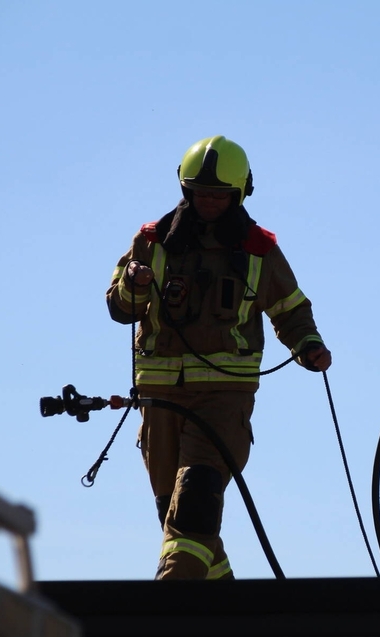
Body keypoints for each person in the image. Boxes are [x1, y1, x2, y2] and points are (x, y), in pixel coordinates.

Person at [106, 135, 331, 580]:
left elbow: (291, 311)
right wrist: (134, 281)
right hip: (159, 400)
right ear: (185, 190)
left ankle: (172, 597)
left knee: (196, 496)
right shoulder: (150, 241)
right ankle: (223, 607)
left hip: (224, 398)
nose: (208, 201)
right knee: (178, 514)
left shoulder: (259, 250)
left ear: (240, 193)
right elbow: (120, 308)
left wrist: (308, 346)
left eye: (219, 195)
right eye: (200, 192)